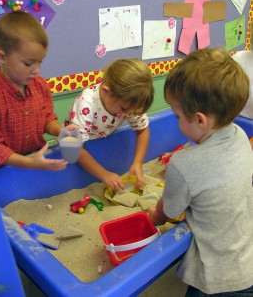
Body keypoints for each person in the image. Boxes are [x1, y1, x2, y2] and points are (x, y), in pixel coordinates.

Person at [148, 48, 253, 296]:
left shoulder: (182, 164)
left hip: (216, 278)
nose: (175, 121)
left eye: (176, 116)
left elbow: (169, 212)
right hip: (248, 263)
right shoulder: (240, 136)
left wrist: (153, 217)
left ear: (200, 120)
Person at [66, 58, 154, 191]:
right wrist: (104, 174)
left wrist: (137, 162)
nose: (128, 114)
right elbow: (75, 148)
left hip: (100, 139)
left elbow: (142, 130)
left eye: (132, 110)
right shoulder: (86, 104)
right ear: (106, 92)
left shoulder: (129, 101)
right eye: (124, 109)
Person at [0, 11, 66, 171]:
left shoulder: (39, 85)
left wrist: (61, 131)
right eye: (28, 64)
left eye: (40, 62)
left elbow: (47, 119)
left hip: (36, 157)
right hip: (3, 170)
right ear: (2, 56)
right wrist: (30, 163)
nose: (37, 70)